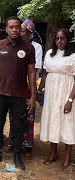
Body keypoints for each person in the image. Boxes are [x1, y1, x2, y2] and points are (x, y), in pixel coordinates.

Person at [0, 16, 36, 170]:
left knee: (19, 126)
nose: (14, 30)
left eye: (16, 27)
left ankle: (18, 157)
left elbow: (32, 73)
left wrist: (33, 96)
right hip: (0, 94)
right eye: (11, 27)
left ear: (20, 28)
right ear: (6, 29)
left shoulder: (28, 47)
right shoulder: (0, 46)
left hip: (19, 95)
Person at [38, 29, 75, 170]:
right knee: (52, 121)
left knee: (67, 123)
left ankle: (67, 157)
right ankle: (53, 153)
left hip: (66, 93)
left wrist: (70, 101)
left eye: (63, 38)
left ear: (68, 39)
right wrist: (39, 90)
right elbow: (45, 74)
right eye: (57, 38)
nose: (59, 41)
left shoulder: (72, 56)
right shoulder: (49, 54)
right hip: (52, 94)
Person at [7, 19, 43, 159]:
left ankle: (28, 146)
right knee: (13, 116)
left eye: (22, 31)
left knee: (28, 117)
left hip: (27, 88)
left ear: (30, 32)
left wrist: (32, 91)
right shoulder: (15, 45)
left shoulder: (36, 47)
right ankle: (13, 142)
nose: (19, 33)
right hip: (14, 87)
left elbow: (35, 70)